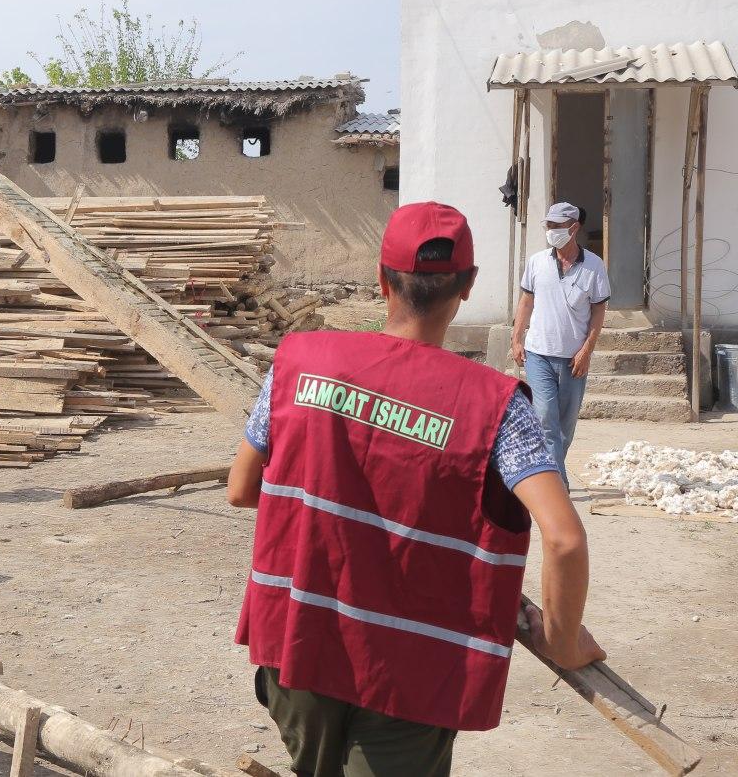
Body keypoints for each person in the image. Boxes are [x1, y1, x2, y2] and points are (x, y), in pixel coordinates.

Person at [228, 201, 605, 777]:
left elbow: (242, 487)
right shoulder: (498, 407)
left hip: (301, 643)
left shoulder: (301, 363)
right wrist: (563, 641)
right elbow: (565, 540)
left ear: (381, 279)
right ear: (469, 286)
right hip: (413, 666)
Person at [511, 202, 610, 488]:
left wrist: (586, 351)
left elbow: (598, 311)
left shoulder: (593, 266)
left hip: (572, 359)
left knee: (564, 427)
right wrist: (517, 338)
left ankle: (553, 470)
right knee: (545, 420)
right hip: (538, 352)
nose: (551, 231)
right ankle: (557, 487)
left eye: (557, 226)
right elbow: (526, 301)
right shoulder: (537, 262)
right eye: (549, 226)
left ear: (574, 228)